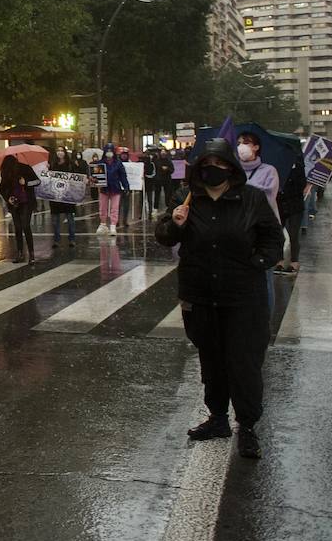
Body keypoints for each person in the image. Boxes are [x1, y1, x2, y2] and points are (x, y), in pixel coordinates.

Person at [155, 138, 284, 459]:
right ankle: (217, 418)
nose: (214, 171)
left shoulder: (251, 199)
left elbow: (272, 238)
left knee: (244, 363)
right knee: (211, 361)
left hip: (244, 298)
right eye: (208, 165)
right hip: (200, 296)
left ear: (232, 169)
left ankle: (248, 427)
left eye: (221, 165)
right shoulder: (186, 199)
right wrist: (175, 223)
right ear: (199, 169)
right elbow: (164, 235)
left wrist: (255, 264)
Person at [0, 155, 40, 264]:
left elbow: (37, 181)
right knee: (18, 227)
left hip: (26, 202)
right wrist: (8, 199)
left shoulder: (25, 168)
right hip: (15, 203)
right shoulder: (6, 173)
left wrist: (26, 183)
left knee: (25, 226)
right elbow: (2, 188)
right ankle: (20, 253)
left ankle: (31, 254)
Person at [274, 162, 308, 276]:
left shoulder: (299, 167)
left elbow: (301, 184)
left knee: (293, 234)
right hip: (280, 204)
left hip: (295, 205)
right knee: (278, 233)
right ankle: (279, 260)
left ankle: (294, 261)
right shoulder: (277, 166)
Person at [48, 147, 82, 249]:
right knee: (55, 220)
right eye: (58, 150)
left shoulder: (70, 164)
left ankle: (72, 239)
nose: (60, 153)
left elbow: (77, 176)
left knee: (70, 218)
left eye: (62, 151)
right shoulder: (52, 165)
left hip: (68, 195)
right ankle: (56, 240)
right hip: (55, 195)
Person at [95, 143, 128, 235]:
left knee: (115, 208)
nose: (109, 153)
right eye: (107, 151)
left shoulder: (118, 163)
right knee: (102, 207)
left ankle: (113, 225)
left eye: (111, 151)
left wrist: (126, 186)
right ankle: (103, 224)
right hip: (103, 189)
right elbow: (96, 176)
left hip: (115, 188)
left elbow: (123, 176)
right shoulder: (100, 163)